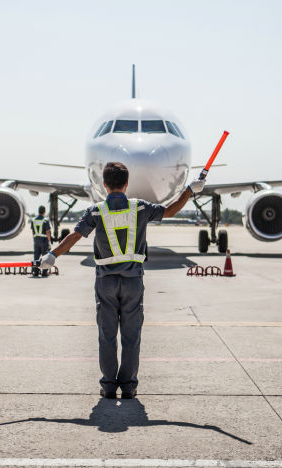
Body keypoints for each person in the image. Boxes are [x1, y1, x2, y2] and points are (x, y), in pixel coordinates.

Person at [39, 161, 205, 399]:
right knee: (131, 336)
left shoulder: (95, 211)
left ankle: (108, 386)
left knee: (107, 336)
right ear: (127, 184)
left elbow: (75, 235)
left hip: (105, 283)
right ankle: (128, 386)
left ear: (105, 185)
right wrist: (189, 190)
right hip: (133, 282)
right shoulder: (141, 208)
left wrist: (53, 255)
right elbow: (170, 211)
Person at [31, 205, 51, 277]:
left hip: (36, 240)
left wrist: (35, 239)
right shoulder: (45, 220)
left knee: (36, 257)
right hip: (44, 240)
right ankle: (44, 272)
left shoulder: (33, 220)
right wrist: (49, 241)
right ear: (44, 212)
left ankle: (35, 271)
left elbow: (33, 231)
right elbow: (47, 231)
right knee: (45, 257)